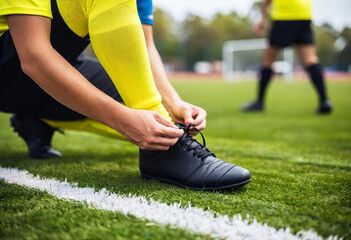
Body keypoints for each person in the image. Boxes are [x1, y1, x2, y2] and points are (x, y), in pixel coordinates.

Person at [0, 0, 251, 190]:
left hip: (51, 75)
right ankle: (163, 152)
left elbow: (144, 45)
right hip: (9, 74)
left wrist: (172, 103)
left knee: (148, 116)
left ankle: (37, 120)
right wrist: (122, 118)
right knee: (134, 117)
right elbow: (33, 54)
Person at [242, 0, 332, 114]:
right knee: (310, 59)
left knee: (267, 60)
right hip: (304, 15)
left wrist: (263, 15)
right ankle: (324, 101)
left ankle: (259, 102)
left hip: (284, 16)